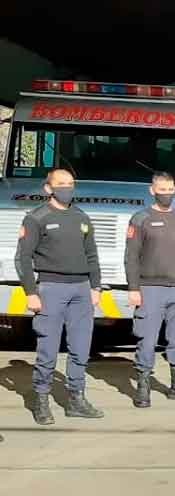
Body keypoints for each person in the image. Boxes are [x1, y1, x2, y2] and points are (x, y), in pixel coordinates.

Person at [15, 168, 104, 425]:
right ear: (48, 188)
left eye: (71, 183)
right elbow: (22, 258)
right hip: (51, 288)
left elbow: (92, 256)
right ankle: (41, 400)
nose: (67, 188)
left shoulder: (81, 217)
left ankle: (76, 399)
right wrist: (31, 292)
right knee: (48, 348)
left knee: (80, 348)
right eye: (61, 184)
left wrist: (95, 287)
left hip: (81, 290)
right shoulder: (36, 218)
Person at [125, 171, 175, 407]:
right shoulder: (141, 219)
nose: (166, 194)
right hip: (150, 289)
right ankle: (143, 387)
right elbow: (131, 257)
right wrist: (133, 288)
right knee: (146, 340)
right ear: (152, 190)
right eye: (162, 190)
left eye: (170, 190)